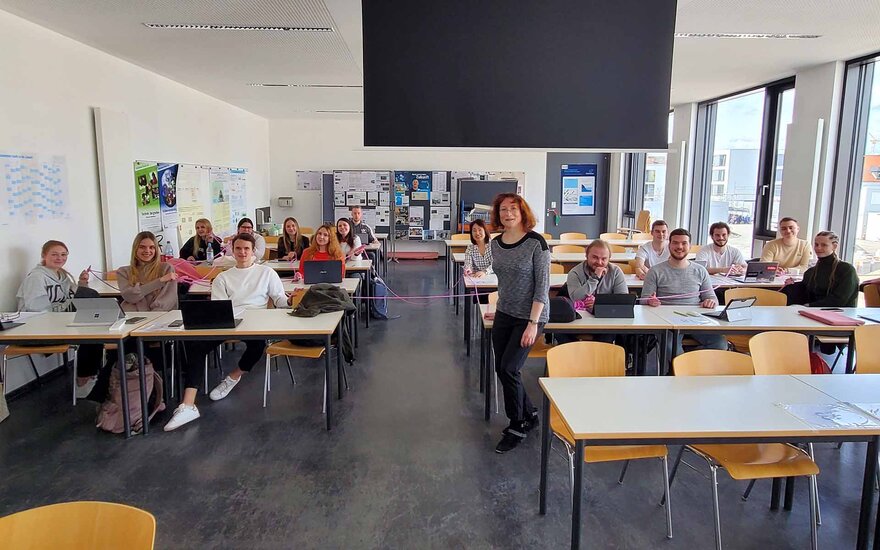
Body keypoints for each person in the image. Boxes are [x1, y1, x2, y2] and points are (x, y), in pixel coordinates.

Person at [164, 233, 296, 431]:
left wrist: (290, 301)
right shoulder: (223, 278)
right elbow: (218, 308)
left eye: (246, 249)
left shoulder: (266, 273)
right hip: (228, 322)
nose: (242, 252)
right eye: (238, 249)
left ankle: (233, 377)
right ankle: (188, 405)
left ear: (253, 252)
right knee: (195, 345)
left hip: (256, 323)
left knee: (257, 346)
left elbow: (279, 299)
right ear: (232, 251)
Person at [485, 193, 550, 454]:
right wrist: (495, 309)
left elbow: (542, 288)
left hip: (530, 316)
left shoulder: (537, 243)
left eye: (513, 209)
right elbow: (504, 282)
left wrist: (533, 323)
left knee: (510, 368)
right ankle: (530, 412)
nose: (508, 213)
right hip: (504, 313)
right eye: (503, 210)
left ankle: (517, 424)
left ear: (522, 212)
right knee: (503, 368)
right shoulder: (496, 243)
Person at [15, 240, 102, 398]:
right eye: (54, 254)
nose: (59, 258)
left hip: (58, 324)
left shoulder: (62, 276)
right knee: (90, 309)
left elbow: (71, 298)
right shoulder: (36, 278)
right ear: (44, 256)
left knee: (95, 328)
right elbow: (38, 310)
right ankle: (85, 377)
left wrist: (82, 283)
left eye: (63, 255)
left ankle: (89, 375)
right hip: (36, 330)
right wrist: (71, 305)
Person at [642, 228, 727, 358]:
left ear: (690, 246)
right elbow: (643, 300)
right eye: (675, 243)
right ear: (669, 245)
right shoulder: (655, 271)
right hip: (666, 322)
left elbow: (712, 298)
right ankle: (682, 368)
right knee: (672, 349)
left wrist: (710, 301)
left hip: (696, 320)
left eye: (684, 243)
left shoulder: (700, 271)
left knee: (720, 344)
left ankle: (690, 362)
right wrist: (649, 301)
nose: (679, 247)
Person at [558, 239, 629, 345]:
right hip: (578, 321)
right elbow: (576, 297)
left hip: (605, 321)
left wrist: (598, 303)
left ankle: (601, 359)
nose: (599, 262)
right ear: (586, 255)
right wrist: (595, 278)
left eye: (604, 259)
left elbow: (623, 300)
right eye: (595, 257)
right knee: (561, 333)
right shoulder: (575, 273)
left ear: (609, 259)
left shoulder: (616, 272)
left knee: (612, 333)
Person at [782, 231, 859, 307]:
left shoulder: (847, 270)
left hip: (840, 315)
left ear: (834, 246)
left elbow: (839, 300)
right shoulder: (810, 272)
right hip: (812, 312)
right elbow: (804, 292)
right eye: (816, 244)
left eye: (824, 245)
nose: (818, 248)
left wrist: (809, 306)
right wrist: (791, 285)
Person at [117, 232, 179, 312]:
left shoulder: (166, 268)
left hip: (158, 316)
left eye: (152, 247)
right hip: (131, 316)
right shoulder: (123, 272)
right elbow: (130, 297)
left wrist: (152, 318)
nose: (147, 251)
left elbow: (168, 300)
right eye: (142, 247)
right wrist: (160, 281)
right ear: (135, 248)